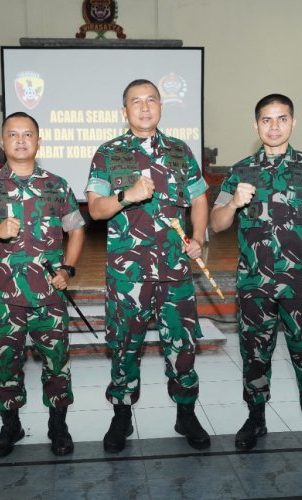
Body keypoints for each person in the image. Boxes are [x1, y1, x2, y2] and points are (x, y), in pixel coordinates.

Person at [209, 94, 302, 468]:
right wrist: (233, 203)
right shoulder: (239, 171)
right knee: (255, 355)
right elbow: (215, 225)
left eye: (281, 119)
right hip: (255, 283)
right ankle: (256, 419)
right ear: (256, 126)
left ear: (293, 123)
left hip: (301, 283)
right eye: (266, 120)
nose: (273, 126)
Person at [86, 79, 211, 452]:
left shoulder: (179, 151)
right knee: (125, 346)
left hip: (175, 273)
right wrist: (127, 195)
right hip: (129, 276)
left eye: (151, 100)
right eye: (135, 102)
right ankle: (121, 415)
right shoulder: (108, 154)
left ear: (160, 107)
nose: (144, 107)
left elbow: (200, 198)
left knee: (183, 346)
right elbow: (95, 209)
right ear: (124, 111)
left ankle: (185, 413)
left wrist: (199, 237)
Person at [0, 111, 85, 457]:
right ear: (2, 142)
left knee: (57, 363)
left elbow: (76, 229)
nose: (20, 140)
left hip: (50, 297)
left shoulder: (57, 185)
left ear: (38, 140)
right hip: (5, 299)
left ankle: (57, 425)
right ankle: (10, 426)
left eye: (27, 134)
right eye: (13, 135)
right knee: (6, 365)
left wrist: (69, 269)